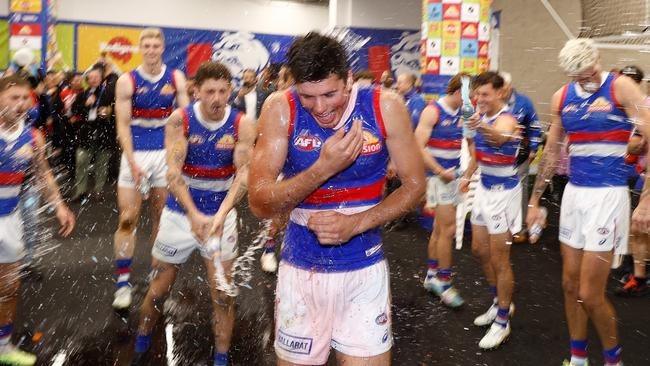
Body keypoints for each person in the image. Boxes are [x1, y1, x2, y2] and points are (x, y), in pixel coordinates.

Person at [248, 32, 425, 366]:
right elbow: (259, 203)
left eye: (330, 93)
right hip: (301, 272)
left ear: (348, 79)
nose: (321, 107)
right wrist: (323, 168)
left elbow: (415, 187)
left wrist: (356, 223)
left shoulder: (385, 106)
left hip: (365, 271)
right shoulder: (279, 108)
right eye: (308, 96)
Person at [527, 39, 650, 366]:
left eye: (591, 71)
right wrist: (535, 199)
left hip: (608, 196)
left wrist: (646, 202)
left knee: (590, 293)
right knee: (569, 285)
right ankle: (578, 357)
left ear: (598, 61)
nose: (589, 78)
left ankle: (614, 360)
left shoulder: (621, 87)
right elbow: (552, 152)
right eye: (581, 76)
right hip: (574, 195)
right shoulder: (561, 97)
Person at [131, 62, 255, 366]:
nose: (216, 98)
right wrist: (193, 215)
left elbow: (244, 175)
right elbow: (173, 174)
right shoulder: (179, 120)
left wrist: (221, 215)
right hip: (179, 213)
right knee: (159, 288)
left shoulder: (242, 124)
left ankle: (221, 358)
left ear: (231, 91)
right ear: (196, 91)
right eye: (209, 91)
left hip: (220, 216)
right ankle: (141, 344)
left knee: (223, 295)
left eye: (223, 91)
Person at [0, 75, 75, 365]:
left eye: (24, 99)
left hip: (10, 218)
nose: (21, 105)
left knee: (9, 287)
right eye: (13, 98)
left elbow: (43, 175)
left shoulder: (33, 137)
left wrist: (59, 206)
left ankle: (4, 347)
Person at [112, 27, 189, 309]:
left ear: (163, 48)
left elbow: (183, 121)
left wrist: (178, 158)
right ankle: (122, 283)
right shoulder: (126, 80)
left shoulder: (176, 78)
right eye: (147, 44)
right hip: (136, 154)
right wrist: (132, 162)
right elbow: (122, 124)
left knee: (161, 217)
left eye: (156, 44)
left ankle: (156, 276)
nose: (152, 49)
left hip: (164, 154)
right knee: (128, 218)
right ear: (141, 48)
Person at [459, 71, 521, 349]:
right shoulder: (481, 116)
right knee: (479, 251)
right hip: (484, 189)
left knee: (500, 259)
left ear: (499, 93)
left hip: (503, 195)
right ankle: (499, 303)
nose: (480, 99)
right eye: (477, 94)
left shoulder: (508, 118)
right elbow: (478, 152)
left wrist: (479, 125)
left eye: (485, 94)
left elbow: (498, 138)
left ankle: (503, 321)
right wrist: (466, 176)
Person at [415, 73, 466, 308]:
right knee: (448, 230)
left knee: (439, 230)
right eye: (467, 95)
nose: (471, 100)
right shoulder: (433, 110)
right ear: (456, 92)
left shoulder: (465, 112)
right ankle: (444, 284)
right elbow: (418, 146)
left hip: (452, 178)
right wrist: (438, 171)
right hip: (438, 178)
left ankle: (431, 276)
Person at [615, 65, 649, 297]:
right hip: (642, 174)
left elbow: (637, 144)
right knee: (639, 225)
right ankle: (638, 276)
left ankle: (639, 275)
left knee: (640, 224)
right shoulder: (641, 106)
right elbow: (636, 145)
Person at [499, 72, 541, 244]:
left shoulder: (524, 102)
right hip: (498, 157)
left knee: (521, 192)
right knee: (500, 192)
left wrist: (533, 150)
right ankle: (501, 227)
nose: (499, 91)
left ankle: (520, 229)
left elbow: (535, 127)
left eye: (502, 88)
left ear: (509, 87)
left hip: (520, 156)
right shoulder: (493, 103)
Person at [71, 66, 112, 201]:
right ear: (87, 80)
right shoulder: (82, 94)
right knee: (81, 160)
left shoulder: (107, 93)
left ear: (101, 79)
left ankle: (98, 190)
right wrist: (85, 105)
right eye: (91, 78)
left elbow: (116, 109)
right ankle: (80, 191)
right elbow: (74, 111)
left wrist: (108, 112)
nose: (94, 80)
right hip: (86, 131)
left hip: (104, 130)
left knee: (102, 162)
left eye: (97, 77)